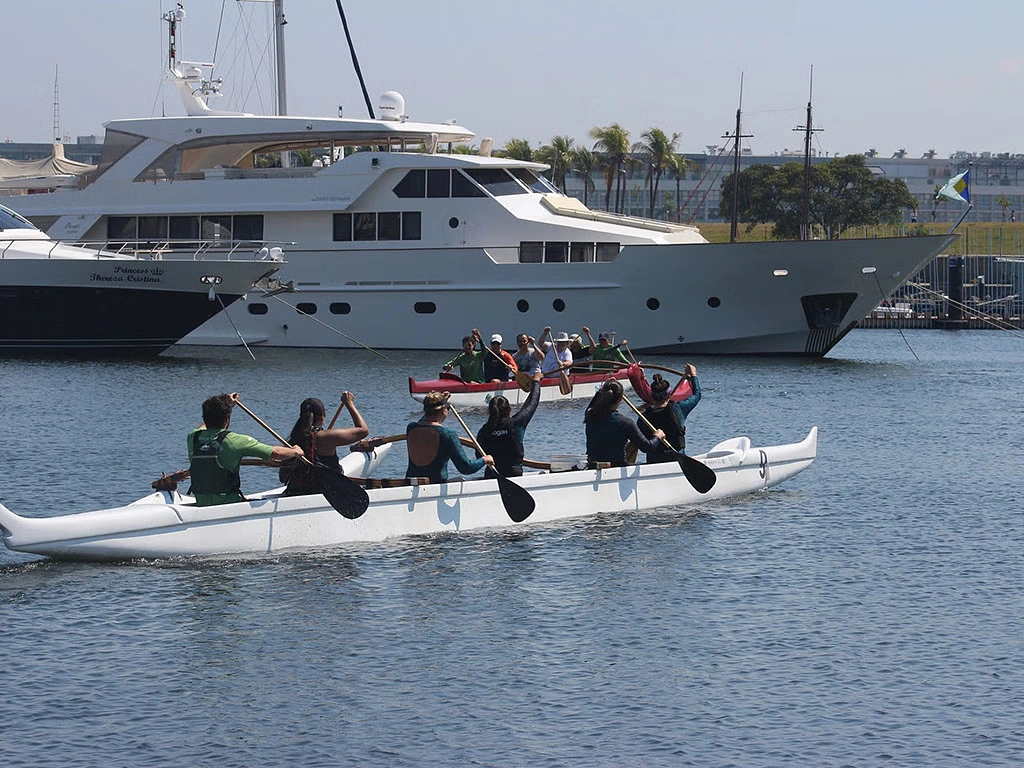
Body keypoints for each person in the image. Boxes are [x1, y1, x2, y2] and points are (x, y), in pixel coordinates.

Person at [187, 392, 304, 507]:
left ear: (205, 417)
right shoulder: (234, 440)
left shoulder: (194, 437)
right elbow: (276, 453)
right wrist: (295, 451)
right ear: (227, 419)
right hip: (229, 504)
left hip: (201, 503)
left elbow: (204, 424)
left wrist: (227, 405)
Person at [280, 392, 370, 496]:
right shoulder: (327, 437)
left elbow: (282, 478)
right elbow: (363, 431)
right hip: (325, 491)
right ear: (322, 418)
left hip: (295, 491)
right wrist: (349, 403)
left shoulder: (291, 442)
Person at [406, 391, 494, 483]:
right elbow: (465, 468)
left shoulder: (411, 428)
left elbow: (426, 420)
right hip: (435, 485)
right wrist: (485, 459)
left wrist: (441, 401)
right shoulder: (447, 434)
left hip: (410, 484)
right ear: (444, 409)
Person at [476, 368, 544, 477]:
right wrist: (536, 381)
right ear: (509, 410)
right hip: (513, 473)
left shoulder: (484, 430)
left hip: (491, 474)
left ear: (490, 412)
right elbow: (533, 403)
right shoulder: (516, 423)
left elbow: (478, 456)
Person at [584, 379, 665, 467]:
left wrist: (601, 390)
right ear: (621, 399)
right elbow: (646, 447)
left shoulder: (590, 415)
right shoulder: (625, 423)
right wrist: (657, 437)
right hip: (616, 467)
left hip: (592, 466)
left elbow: (593, 405)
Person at [637, 366, 701, 463]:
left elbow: (640, 443)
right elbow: (697, 395)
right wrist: (693, 375)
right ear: (670, 394)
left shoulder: (643, 417)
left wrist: (642, 378)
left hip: (654, 461)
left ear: (652, 397)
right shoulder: (679, 409)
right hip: (677, 459)